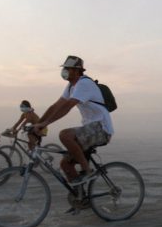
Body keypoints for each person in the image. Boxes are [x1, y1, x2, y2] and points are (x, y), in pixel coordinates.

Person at [33, 55, 113, 184]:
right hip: (88, 128)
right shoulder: (71, 86)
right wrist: (38, 123)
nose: (64, 71)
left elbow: (67, 106)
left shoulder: (84, 83)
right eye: (64, 68)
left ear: (77, 71)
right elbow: (55, 106)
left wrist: (46, 123)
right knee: (65, 165)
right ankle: (81, 200)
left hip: (101, 128)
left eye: (68, 68)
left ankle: (88, 171)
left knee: (65, 135)